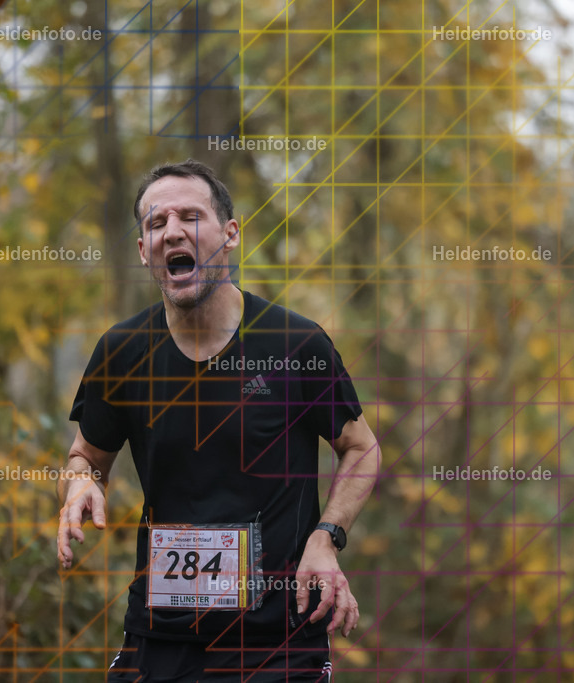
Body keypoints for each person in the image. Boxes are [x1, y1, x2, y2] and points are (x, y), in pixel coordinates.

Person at [56, 159, 381, 681]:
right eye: (156, 223)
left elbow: (362, 447)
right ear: (143, 251)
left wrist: (326, 537)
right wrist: (78, 484)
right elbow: (87, 456)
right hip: (159, 636)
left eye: (190, 216)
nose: (172, 232)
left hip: (277, 642)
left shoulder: (293, 344)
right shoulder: (122, 352)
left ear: (229, 235)